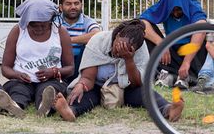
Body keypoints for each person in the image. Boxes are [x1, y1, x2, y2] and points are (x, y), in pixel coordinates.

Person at [53, 19, 184, 122]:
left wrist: (129, 60)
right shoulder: (98, 41)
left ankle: (168, 110)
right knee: (84, 95)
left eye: (125, 50)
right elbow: (88, 78)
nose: (118, 52)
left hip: (126, 89)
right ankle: (70, 111)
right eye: (117, 46)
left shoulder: (140, 47)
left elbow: (137, 83)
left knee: (146, 93)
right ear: (117, 35)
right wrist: (81, 85)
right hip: (96, 87)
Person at [0, 0, 75, 118]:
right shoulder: (17, 31)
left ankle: (45, 106)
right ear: (26, 22)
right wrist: (17, 75)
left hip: (50, 80)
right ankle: (14, 106)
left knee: (49, 90)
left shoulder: (60, 32)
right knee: (18, 91)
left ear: (51, 20)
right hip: (22, 81)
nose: (39, 29)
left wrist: (53, 72)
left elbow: (70, 68)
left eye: (44, 25)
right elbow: (5, 68)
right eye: (33, 25)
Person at [140, 0, 207, 89]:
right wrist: (161, 43)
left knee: (201, 37)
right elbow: (141, 23)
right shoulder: (163, 5)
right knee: (143, 31)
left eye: (179, 10)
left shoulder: (193, 5)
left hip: (190, 53)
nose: (176, 14)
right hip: (172, 50)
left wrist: (186, 62)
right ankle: (169, 76)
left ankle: (185, 76)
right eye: (172, 10)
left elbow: (201, 27)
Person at [58, 0, 101, 83]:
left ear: (81, 5)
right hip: (58, 61)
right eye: (68, 4)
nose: (73, 7)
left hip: (80, 63)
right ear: (61, 7)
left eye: (76, 3)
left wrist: (68, 40)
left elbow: (97, 35)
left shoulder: (87, 21)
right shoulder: (55, 21)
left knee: (87, 46)